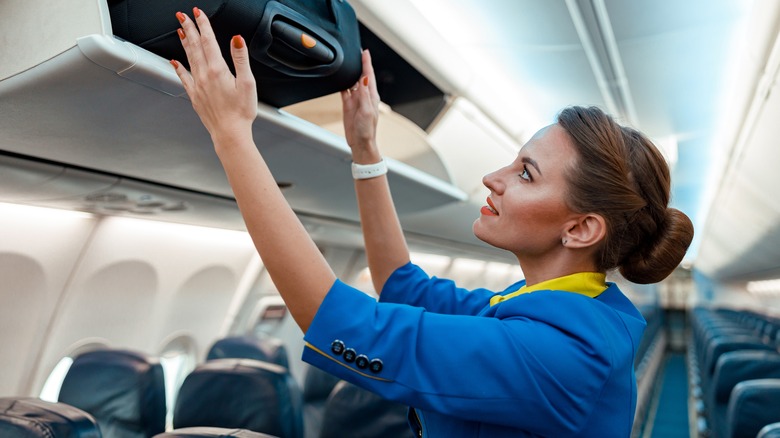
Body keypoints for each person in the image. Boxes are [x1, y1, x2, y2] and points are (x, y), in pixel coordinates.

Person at [170, 8, 694, 437]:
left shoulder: (562, 351)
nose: (493, 177)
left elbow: (342, 323)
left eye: (526, 174)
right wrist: (366, 150)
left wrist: (233, 136)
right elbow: (403, 286)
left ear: (581, 229)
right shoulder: (546, 306)